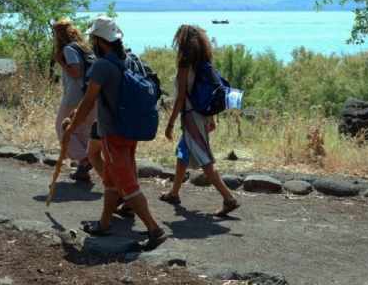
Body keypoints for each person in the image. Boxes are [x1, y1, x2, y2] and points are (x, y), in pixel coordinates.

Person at [62, 15, 167, 250]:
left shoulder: (102, 66)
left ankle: (154, 229)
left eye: (92, 38)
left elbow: (89, 101)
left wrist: (72, 127)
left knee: (127, 184)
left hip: (114, 133)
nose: (91, 42)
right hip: (129, 130)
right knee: (111, 178)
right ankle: (104, 223)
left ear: (100, 40)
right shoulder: (126, 59)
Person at [160, 24, 239, 216]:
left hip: (191, 117)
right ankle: (174, 192)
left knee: (204, 160)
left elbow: (180, 98)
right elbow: (206, 92)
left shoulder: (185, 64)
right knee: (182, 153)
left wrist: (169, 124)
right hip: (200, 115)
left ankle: (229, 198)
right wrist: (211, 118)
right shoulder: (203, 62)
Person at [52, 19, 96, 182]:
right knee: (83, 131)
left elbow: (76, 72)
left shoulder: (69, 49)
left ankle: (84, 159)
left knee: (62, 127)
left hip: (74, 96)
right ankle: (83, 169)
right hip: (90, 95)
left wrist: (61, 62)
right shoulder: (85, 48)